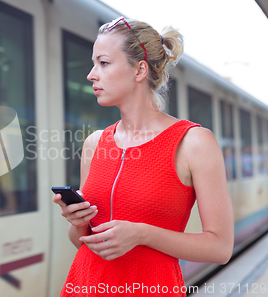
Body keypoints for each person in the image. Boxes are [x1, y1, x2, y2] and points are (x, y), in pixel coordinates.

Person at [52, 17, 234, 296]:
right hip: (84, 285)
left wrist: (142, 234)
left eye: (103, 63)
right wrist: (78, 222)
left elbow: (220, 248)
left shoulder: (194, 142)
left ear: (139, 70)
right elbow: (84, 241)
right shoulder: (94, 143)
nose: (91, 74)